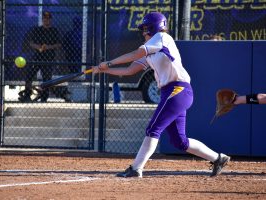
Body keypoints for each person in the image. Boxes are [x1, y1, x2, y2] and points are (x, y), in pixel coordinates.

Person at [92, 12, 230, 178]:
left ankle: (136, 168)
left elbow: (136, 53)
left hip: (178, 89)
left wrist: (109, 62)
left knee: (153, 128)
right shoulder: (152, 50)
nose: (143, 32)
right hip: (171, 92)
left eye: (145, 28)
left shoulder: (162, 38)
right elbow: (130, 70)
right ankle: (218, 158)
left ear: (154, 27)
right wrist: (104, 70)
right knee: (180, 141)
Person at [19, 11, 62, 102]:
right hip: (37, 57)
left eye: (48, 18)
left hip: (49, 58)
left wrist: (48, 47)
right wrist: (39, 47)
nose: (46, 20)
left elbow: (58, 44)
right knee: (29, 76)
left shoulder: (54, 31)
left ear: (51, 19)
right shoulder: (37, 30)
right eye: (44, 18)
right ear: (42, 20)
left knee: (46, 78)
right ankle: (27, 95)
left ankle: (44, 97)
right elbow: (31, 43)